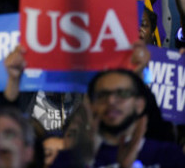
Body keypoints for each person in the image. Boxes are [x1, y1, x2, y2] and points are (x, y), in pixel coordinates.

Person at [52, 69, 185, 167]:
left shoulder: (167, 155)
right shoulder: (68, 160)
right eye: (103, 94)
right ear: (92, 105)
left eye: (122, 93)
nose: (111, 101)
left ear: (140, 104)